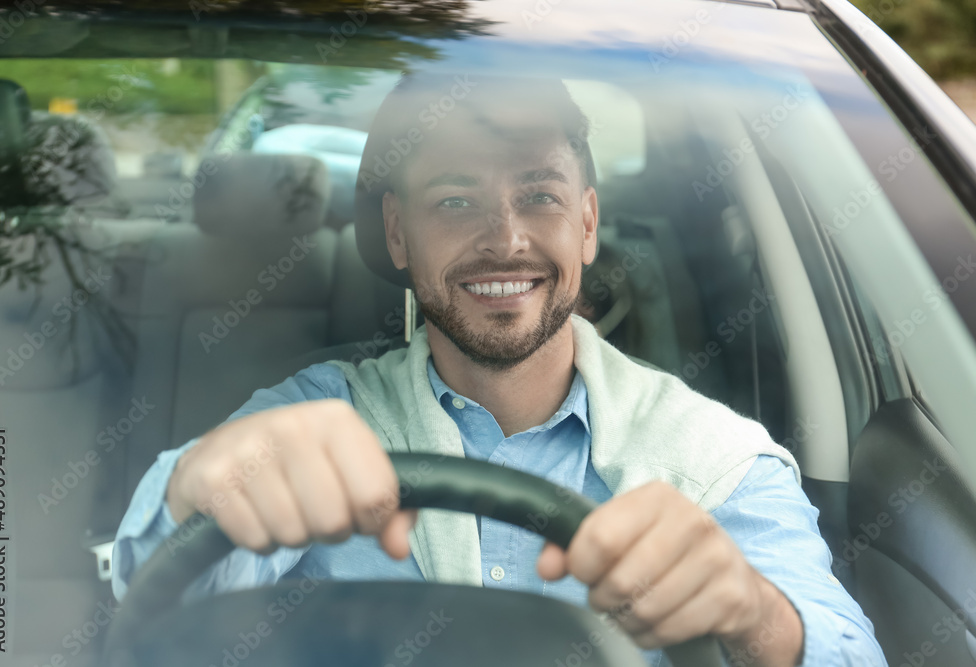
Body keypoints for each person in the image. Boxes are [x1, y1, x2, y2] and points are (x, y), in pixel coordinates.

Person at [112, 74, 887, 667]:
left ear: (587, 223)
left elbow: (847, 650)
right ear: (397, 233)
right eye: (455, 201)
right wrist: (196, 488)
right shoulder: (316, 420)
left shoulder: (713, 461)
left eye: (539, 195)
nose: (505, 239)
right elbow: (162, 592)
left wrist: (752, 611)